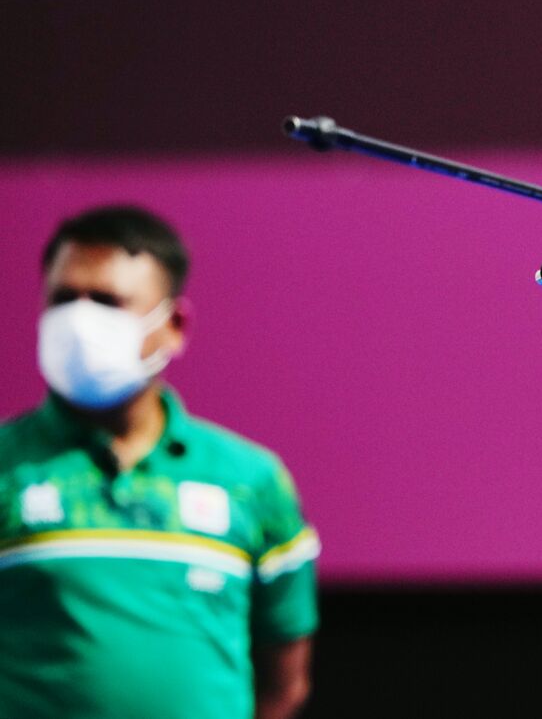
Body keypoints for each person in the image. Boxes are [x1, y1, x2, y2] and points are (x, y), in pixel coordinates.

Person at [0, 206, 319, 719]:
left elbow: (284, 682)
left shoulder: (252, 480)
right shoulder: (6, 467)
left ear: (173, 325)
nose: (80, 323)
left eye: (108, 302)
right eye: (63, 299)